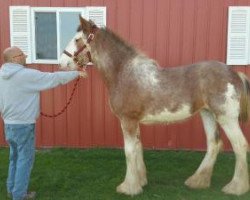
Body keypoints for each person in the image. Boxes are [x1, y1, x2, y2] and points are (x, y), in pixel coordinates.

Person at [0, 46, 87, 200]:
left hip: (9, 125)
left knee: (14, 158)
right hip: (24, 126)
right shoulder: (25, 75)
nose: (25, 56)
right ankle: (19, 195)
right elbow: (53, 78)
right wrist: (77, 73)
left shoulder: (2, 75)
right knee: (24, 161)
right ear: (15, 58)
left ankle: (11, 189)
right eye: (22, 54)